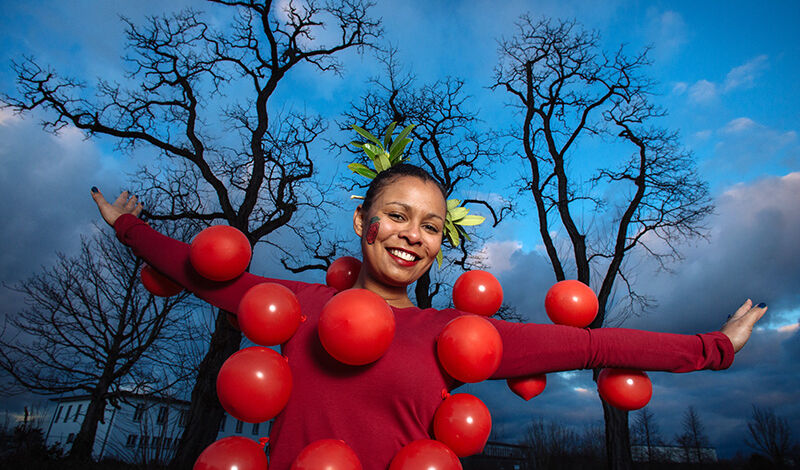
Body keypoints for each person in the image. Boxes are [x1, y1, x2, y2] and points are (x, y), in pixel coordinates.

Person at [91, 164, 767, 470]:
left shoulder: (456, 336)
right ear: (362, 221)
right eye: (397, 215)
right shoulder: (293, 307)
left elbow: (593, 345)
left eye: (432, 226)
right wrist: (129, 230)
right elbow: (200, 271)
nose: (413, 235)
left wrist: (714, 347)